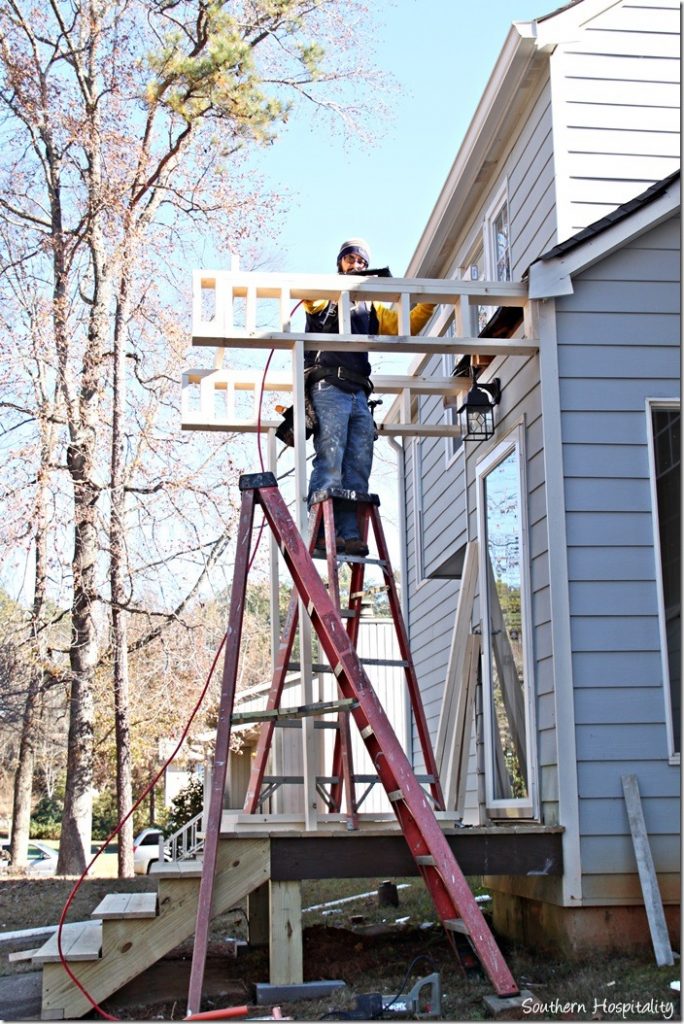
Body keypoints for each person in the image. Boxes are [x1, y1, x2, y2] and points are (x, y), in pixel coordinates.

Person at [303, 238, 435, 556]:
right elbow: (310, 299)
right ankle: (321, 532)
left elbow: (403, 325)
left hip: (358, 390)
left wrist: (428, 302)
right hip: (329, 385)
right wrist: (342, 285)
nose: (356, 264)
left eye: (361, 261)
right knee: (331, 458)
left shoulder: (370, 307)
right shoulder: (328, 298)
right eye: (350, 259)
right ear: (340, 263)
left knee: (358, 465)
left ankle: (348, 533)